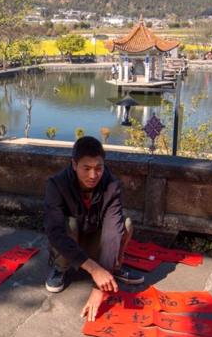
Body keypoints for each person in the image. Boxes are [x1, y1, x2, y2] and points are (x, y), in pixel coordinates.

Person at [43, 136, 144, 321]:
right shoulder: (57, 184)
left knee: (125, 224)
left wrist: (100, 286)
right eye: (86, 168)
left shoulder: (111, 186)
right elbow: (54, 231)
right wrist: (94, 269)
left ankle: (113, 268)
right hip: (71, 240)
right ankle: (62, 268)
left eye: (99, 168)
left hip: (93, 238)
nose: (93, 175)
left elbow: (113, 231)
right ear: (74, 164)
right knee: (67, 225)